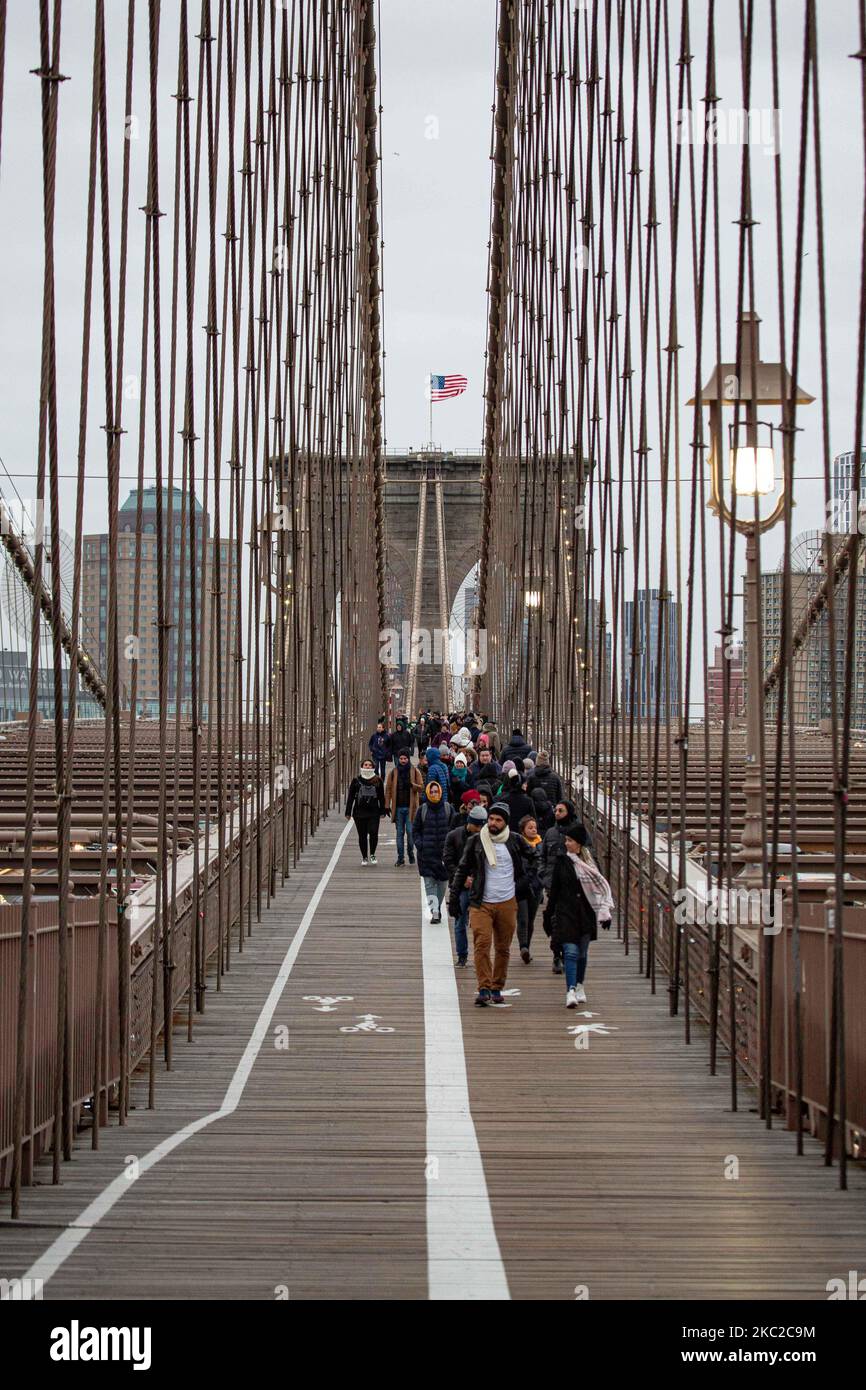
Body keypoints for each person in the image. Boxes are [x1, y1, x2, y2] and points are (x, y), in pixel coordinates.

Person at [449, 802, 530, 1007]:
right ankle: (483, 987)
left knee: (503, 947)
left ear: (505, 822)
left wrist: (525, 882)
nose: (493, 823)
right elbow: (462, 867)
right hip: (481, 901)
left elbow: (535, 857)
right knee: (482, 943)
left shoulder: (515, 841)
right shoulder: (477, 841)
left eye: (498, 820)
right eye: (491, 819)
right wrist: (454, 895)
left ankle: (497, 986)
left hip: (507, 901)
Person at [543, 822, 614, 1007]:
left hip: (586, 913)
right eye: (566, 840)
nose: (566, 843)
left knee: (582, 953)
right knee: (571, 952)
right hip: (566, 913)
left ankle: (580, 985)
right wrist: (548, 914)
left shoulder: (591, 865)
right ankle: (571, 990)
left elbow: (601, 888)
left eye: (570, 840)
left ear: (580, 844)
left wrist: (605, 913)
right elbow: (555, 889)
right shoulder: (562, 862)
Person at [445, 802, 487, 966]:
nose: (479, 828)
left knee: (481, 924)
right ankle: (462, 955)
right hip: (460, 886)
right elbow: (448, 860)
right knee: (460, 921)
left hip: (479, 886)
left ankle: (480, 954)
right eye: (478, 825)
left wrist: (475, 878)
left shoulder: (485, 838)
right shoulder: (454, 836)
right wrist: (463, 878)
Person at [414, 780, 454, 923]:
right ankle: (435, 911)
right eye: (431, 791)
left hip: (444, 855)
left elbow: (454, 828)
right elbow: (416, 830)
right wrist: (420, 845)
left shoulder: (448, 808)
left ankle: (436, 906)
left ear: (440, 792)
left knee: (443, 884)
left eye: (436, 791)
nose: (433, 793)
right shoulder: (422, 809)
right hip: (426, 855)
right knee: (429, 884)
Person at [385, 750, 423, 866]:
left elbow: (421, 787)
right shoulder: (393, 772)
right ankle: (400, 858)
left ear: (408, 759)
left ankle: (410, 852)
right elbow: (388, 790)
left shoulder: (415, 771)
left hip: (411, 809)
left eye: (405, 758)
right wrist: (387, 806)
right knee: (399, 834)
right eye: (401, 758)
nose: (403, 761)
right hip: (398, 809)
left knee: (411, 833)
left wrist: (413, 785)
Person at [345, 758, 386, 865]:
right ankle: (364, 856)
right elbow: (350, 797)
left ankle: (372, 854)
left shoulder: (378, 780)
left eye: (369, 765)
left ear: (373, 767)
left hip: (374, 812)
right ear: (362, 767)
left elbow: (381, 797)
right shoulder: (356, 781)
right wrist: (348, 812)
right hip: (359, 812)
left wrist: (383, 811)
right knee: (362, 835)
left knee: (373, 833)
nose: (367, 767)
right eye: (365, 765)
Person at [516, 814, 544, 962]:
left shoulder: (541, 844)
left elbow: (543, 864)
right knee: (522, 918)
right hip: (521, 886)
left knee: (531, 919)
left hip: (536, 886)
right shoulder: (518, 844)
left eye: (535, 827)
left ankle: (528, 946)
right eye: (530, 828)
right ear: (523, 830)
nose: (533, 830)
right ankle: (523, 947)